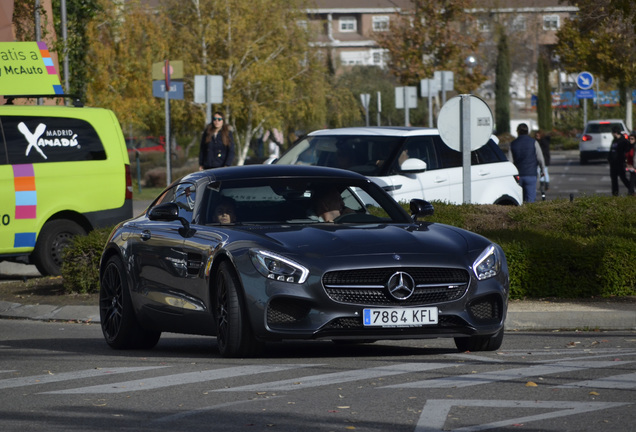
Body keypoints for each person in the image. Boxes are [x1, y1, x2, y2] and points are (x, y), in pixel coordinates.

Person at [508, 123, 546, 203]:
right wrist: (543, 170)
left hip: (518, 176)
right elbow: (540, 158)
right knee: (530, 200)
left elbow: (510, 161)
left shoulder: (513, 144)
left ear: (518, 131)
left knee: (519, 199)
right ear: (527, 132)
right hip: (531, 175)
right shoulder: (534, 142)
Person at [608, 125, 630, 196]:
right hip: (613, 163)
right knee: (614, 180)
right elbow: (611, 150)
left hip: (620, 163)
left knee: (623, 178)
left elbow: (627, 151)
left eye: (612, 132)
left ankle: (631, 189)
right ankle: (615, 195)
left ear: (615, 132)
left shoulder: (623, 141)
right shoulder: (614, 140)